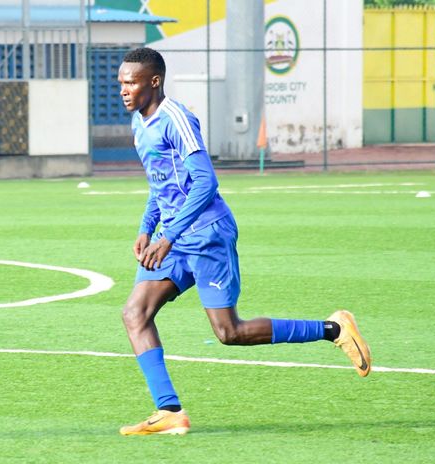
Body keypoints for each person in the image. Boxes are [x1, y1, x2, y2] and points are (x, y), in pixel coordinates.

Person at [117, 47, 371, 436]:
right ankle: (169, 410)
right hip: (174, 237)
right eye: (120, 82)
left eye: (130, 82)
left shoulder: (176, 119)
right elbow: (161, 183)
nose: (123, 89)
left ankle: (333, 329)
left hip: (206, 234)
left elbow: (205, 182)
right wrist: (146, 227)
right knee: (135, 313)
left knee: (229, 333)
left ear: (154, 81)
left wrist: (167, 236)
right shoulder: (139, 123)